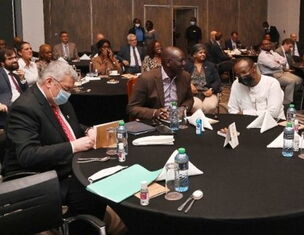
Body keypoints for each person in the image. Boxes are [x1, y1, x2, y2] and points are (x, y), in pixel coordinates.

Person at [2, 60, 106, 233]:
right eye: (67, 89)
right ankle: (81, 228)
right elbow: (28, 155)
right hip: (39, 174)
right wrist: (73, 146)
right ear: (50, 82)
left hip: (62, 164)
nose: (69, 94)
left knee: (99, 175)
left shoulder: (57, 99)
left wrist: (88, 130)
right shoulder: (24, 108)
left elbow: (69, 124)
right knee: (90, 192)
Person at [127, 46, 193, 120]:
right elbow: (132, 108)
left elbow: (189, 99)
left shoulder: (185, 76)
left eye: (184, 60)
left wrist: (183, 108)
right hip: (154, 123)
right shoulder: (146, 79)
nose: (184, 63)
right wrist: (155, 112)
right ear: (168, 63)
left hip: (177, 121)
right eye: (181, 61)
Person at [257, 39, 302, 105]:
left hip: (281, 72)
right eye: (266, 44)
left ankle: (289, 96)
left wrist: (278, 62)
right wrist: (278, 63)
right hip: (271, 75)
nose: (268, 45)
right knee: (291, 82)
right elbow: (273, 66)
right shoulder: (262, 56)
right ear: (261, 46)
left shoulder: (273, 53)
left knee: (299, 80)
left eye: (269, 43)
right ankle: (286, 103)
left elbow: (284, 60)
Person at [184, 44, 221, 114]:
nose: (203, 54)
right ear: (194, 55)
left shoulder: (211, 66)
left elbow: (217, 80)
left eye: (204, 53)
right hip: (193, 94)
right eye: (200, 53)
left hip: (208, 93)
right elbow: (181, 78)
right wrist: (189, 85)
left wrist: (211, 90)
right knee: (196, 106)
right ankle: (198, 123)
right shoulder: (187, 65)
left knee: (209, 106)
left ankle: (206, 123)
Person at [0, 47, 28, 128]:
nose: (15, 60)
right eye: (10, 58)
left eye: (15, 57)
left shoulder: (16, 74)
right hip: (9, 111)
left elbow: (27, 93)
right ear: (2, 63)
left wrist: (22, 79)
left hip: (23, 107)